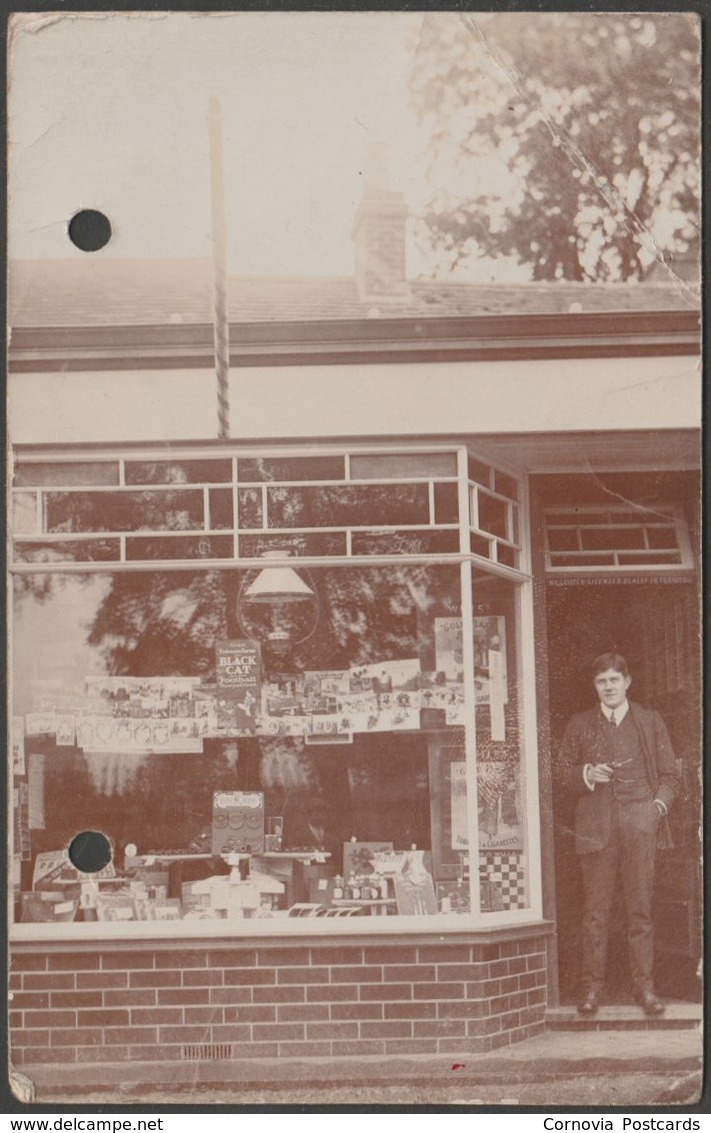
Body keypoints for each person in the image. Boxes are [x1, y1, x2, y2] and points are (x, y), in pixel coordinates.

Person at [560, 652, 678, 1017]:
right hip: (597, 832)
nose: (608, 687)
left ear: (627, 682)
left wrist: (655, 810)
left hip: (640, 830)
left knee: (640, 911)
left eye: (614, 679)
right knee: (596, 912)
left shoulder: (649, 721)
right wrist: (586, 774)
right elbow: (559, 773)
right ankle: (591, 991)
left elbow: (671, 777)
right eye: (601, 681)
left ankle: (645, 990)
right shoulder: (580, 725)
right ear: (594, 686)